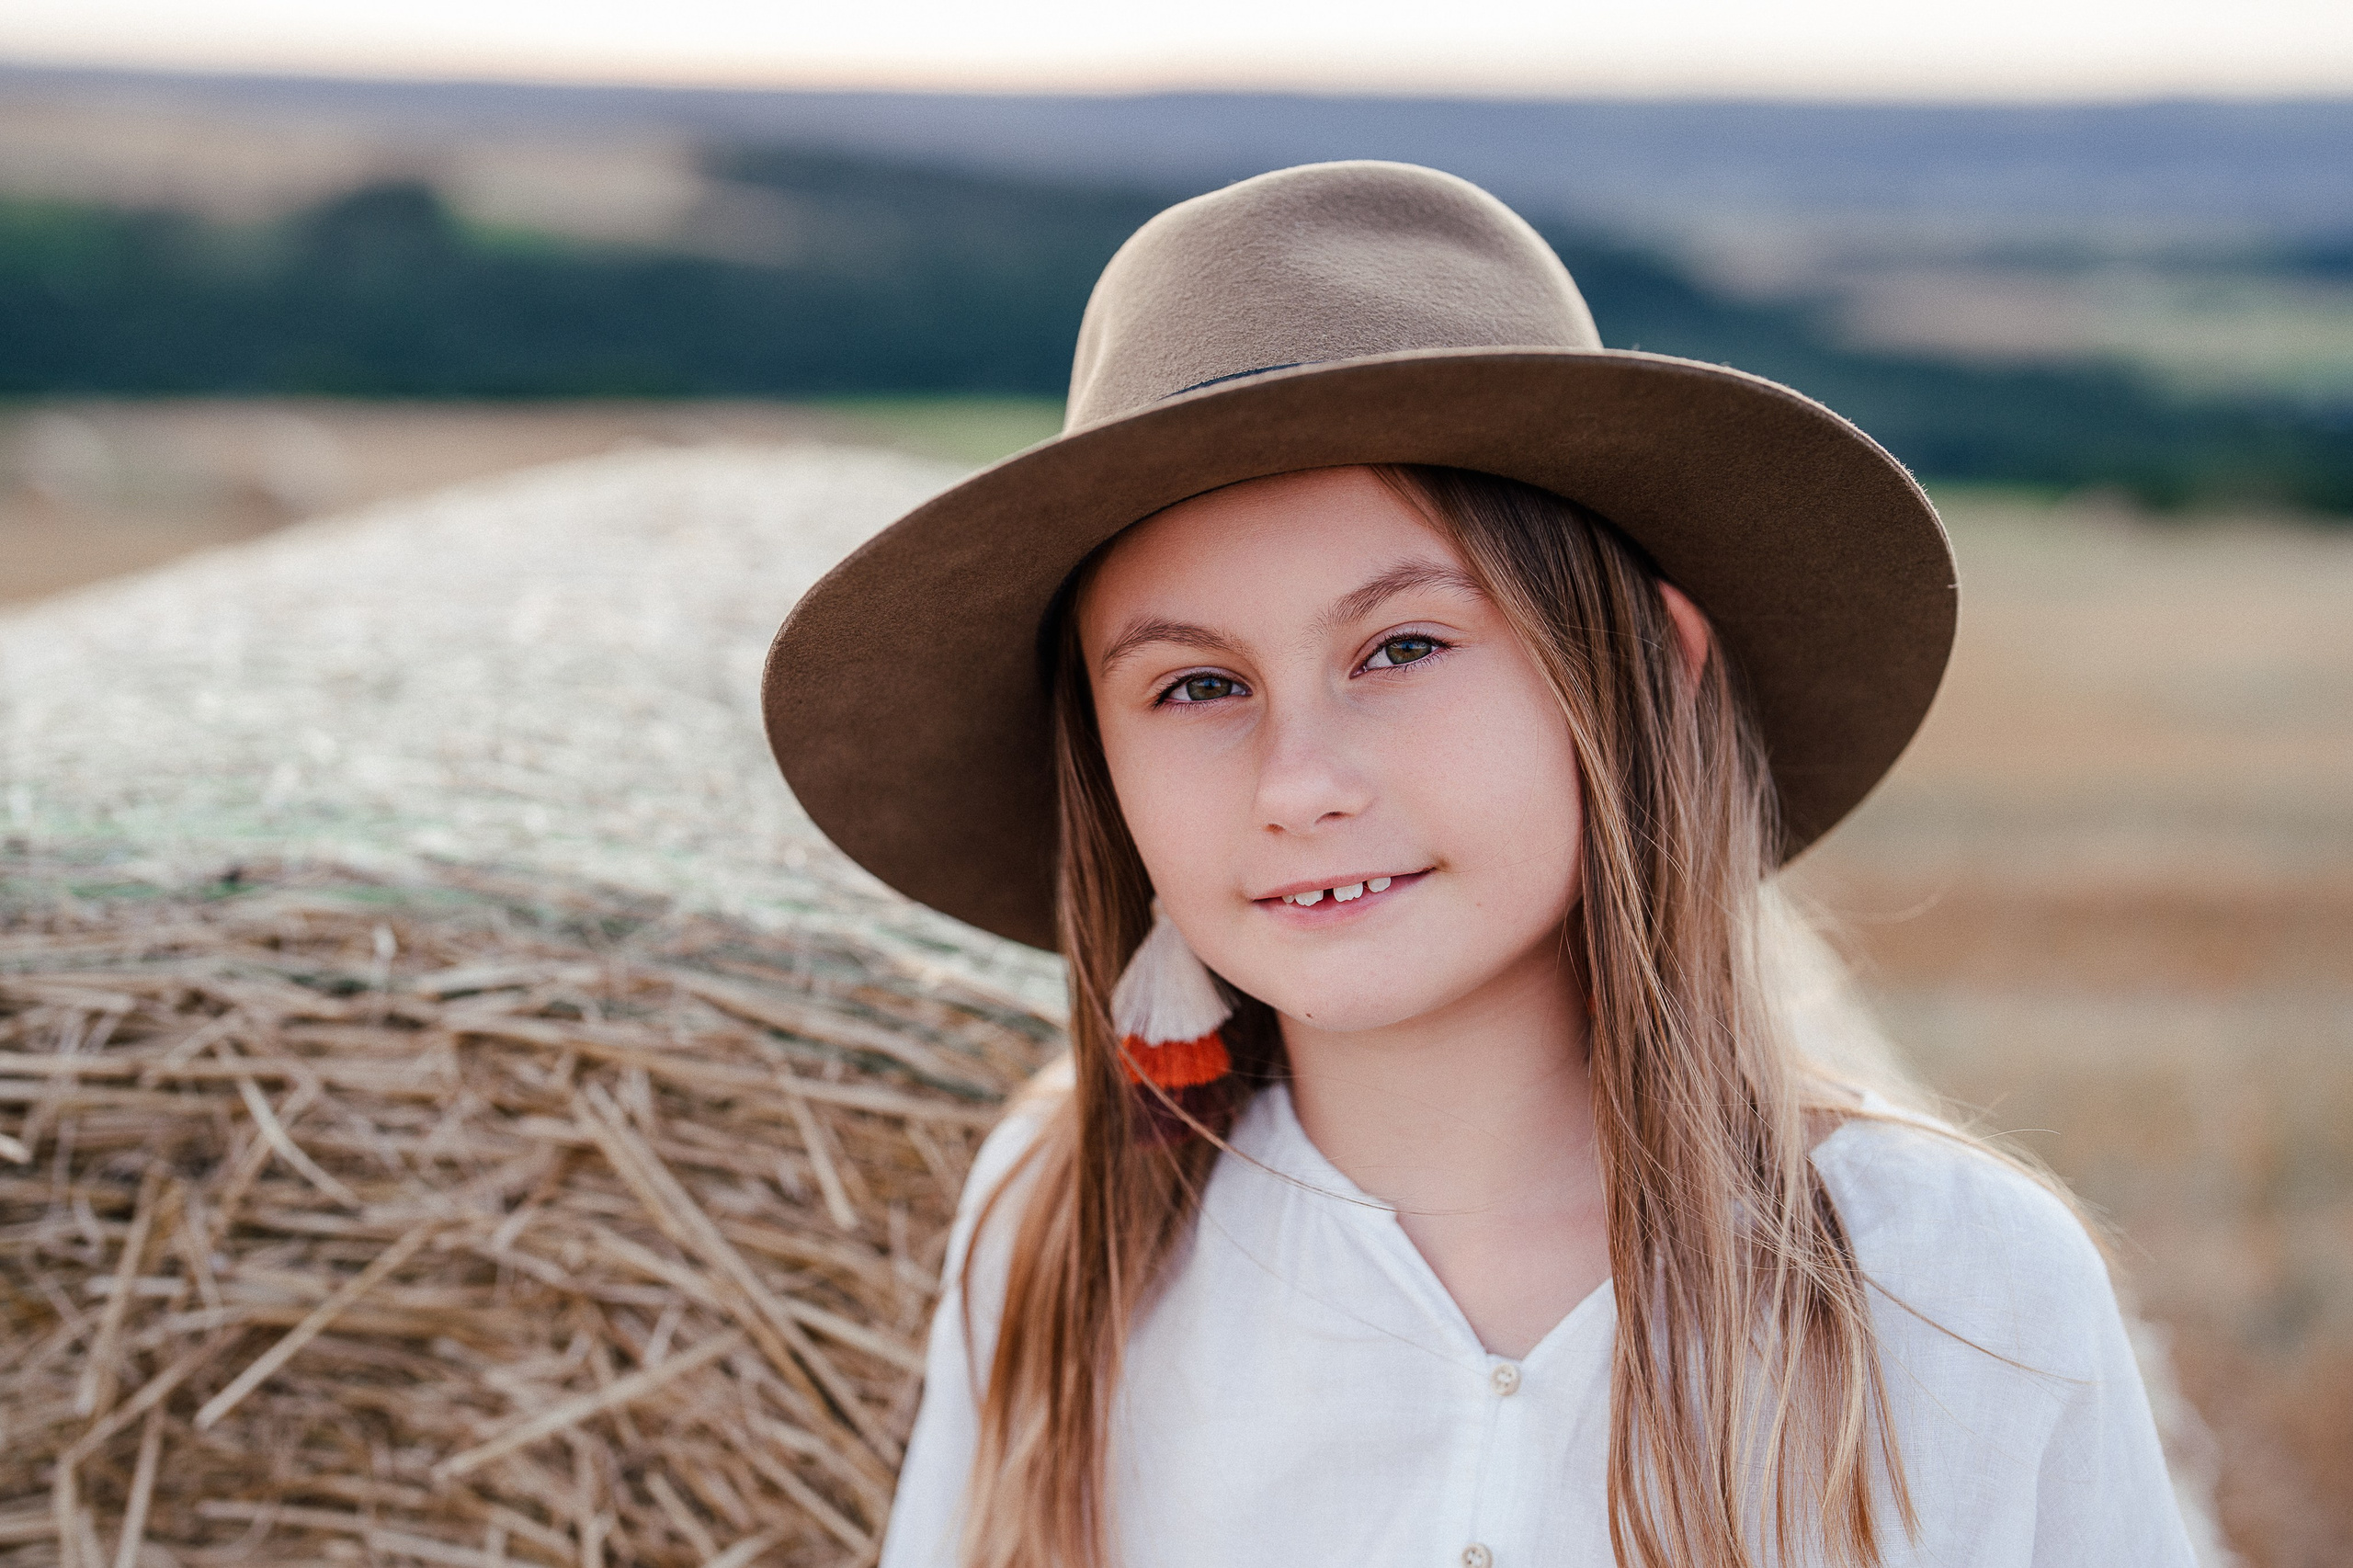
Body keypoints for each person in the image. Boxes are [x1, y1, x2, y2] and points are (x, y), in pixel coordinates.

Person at [763, 162, 2195, 1568]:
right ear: (1104, 764)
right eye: (1197, 686)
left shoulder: (1955, 1283)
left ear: (1651, 675)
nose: (1300, 783)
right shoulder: (1063, 1233)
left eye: (1401, 647)